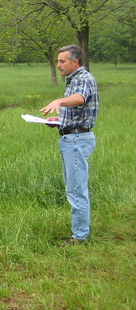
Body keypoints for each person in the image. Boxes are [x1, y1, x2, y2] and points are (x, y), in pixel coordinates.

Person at [40, 45, 98, 245]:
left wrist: (60, 101)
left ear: (75, 62)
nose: (58, 65)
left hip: (77, 140)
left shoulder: (83, 78)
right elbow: (78, 109)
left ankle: (80, 236)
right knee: (73, 188)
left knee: (76, 189)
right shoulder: (74, 79)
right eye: (58, 61)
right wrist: (59, 119)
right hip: (72, 137)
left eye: (62, 61)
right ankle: (80, 231)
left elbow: (79, 98)